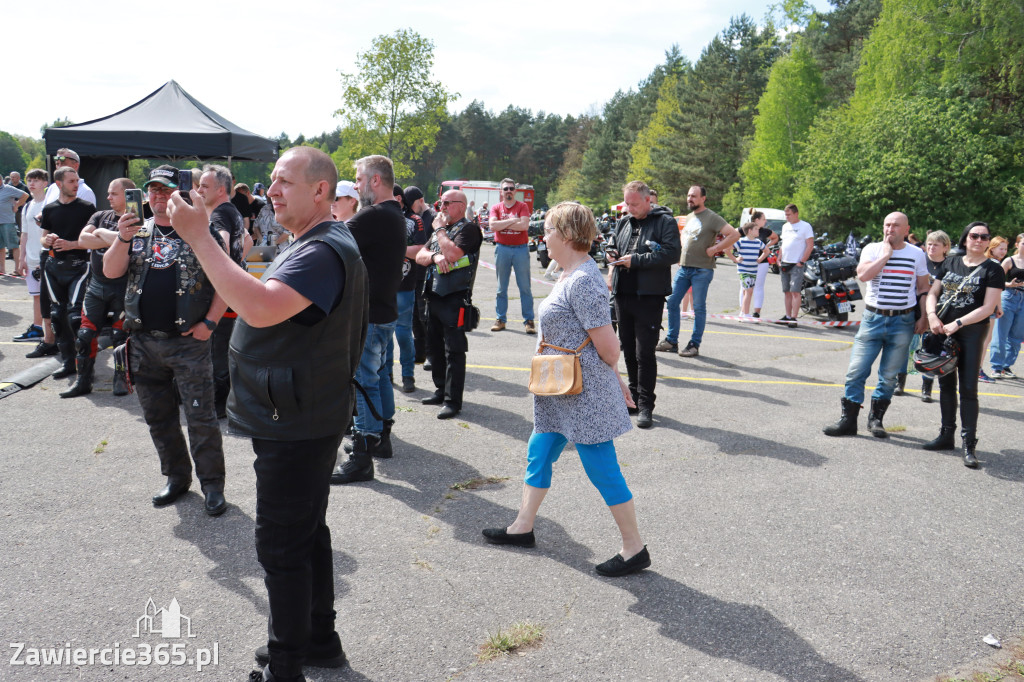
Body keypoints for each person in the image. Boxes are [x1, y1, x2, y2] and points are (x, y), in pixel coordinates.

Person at [166, 146, 367, 682]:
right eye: (272, 182)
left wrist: (198, 235)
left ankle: (286, 667)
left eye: (284, 182)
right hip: (298, 413)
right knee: (306, 533)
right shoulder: (314, 242)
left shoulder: (322, 250)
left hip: (297, 421)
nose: (271, 191)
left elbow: (257, 306)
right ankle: (318, 641)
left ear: (320, 190)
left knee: (281, 544)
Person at [481, 202, 650, 577]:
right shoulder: (566, 272)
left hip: (584, 392)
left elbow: (609, 347)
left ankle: (634, 547)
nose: (545, 235)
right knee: (539, 452)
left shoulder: (584, 279)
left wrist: (614, 378)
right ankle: (523, 526)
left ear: (570, 235)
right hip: (560, 387)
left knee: (601, 467)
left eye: (552, 229)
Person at [103, 165, 228, 515]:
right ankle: (177, 477)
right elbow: (111, 271)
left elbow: (227, 280)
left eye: (167, 190)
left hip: (188, 342)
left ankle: (213, 485)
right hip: (144, 342)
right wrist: (122, 238)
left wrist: (210, 323)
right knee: (158, 418)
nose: (160, 196)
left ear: (180, 194)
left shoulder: (201, 232)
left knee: (201, 416)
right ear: (146, 195)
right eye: (154, 190)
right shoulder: (135, 231)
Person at [331, 156, 406, 484]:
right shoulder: (393, 215)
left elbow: (329, 240)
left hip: (371, 315)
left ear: (376, 180)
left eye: (359, 179)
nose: (357, 185)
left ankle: (362, 453)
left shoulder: (374, 215)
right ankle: (382, 438)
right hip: (384, 312)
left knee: (365, 381)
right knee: (379, 376)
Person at [823, 212, 929, 438]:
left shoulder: (917, 254)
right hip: (873, 319)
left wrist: (924, 317)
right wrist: (885, 256)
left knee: (889, 375)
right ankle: (848, 420)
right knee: (856, 371)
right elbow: (863, 276)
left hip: (903, 320)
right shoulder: (872, 249)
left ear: (907, 229)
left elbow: (922, 287)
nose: (890, 229)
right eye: (887, 225)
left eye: (896, 226)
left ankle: (876, 420)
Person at [922, 221, 1005, 467]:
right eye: (974, 236)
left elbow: (988, 308)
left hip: (970, 332)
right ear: (965, 239)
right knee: (946, 385)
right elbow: (933, 293)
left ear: (988, 241)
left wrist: (958, 323)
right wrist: (932, 315)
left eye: (984, 236)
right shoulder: (950, 262)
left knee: (968, 389)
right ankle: (946, 435)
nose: (979, 240)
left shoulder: (994, 269)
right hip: (941, 329)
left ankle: (969, 445)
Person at [608, 181, 681, 429]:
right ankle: (633, 399)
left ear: (648, 200)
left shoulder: (665, 221)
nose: (629, 208)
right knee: (627, 349)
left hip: (649, 296)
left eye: (634, 203)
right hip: (623, 294)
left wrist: (636, 260)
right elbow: (613, 243)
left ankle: (647, 405)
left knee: (644, 353)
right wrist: (610, 252)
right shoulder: (623, 221)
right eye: (626, 203)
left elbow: (672, 254)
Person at [60, 177, 136, 398]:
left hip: (124, 286)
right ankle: (83, 381)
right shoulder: (100, 215)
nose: (108, 197)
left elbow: (131, 240)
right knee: (84, 334)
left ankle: (122, 380)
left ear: (127, 195)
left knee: (120, 337)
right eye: (109, 193)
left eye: (113, 193)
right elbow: (83, 240)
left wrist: (101, 235)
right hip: (97, 284)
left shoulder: (137, 219)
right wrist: (115, 238)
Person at [414, 189, 482, 420]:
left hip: (455, 297)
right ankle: (440, 390)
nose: (441, 208)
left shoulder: (469, 229)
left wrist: (441, 231)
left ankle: (453, 401)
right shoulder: (438, 232)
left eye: (446, 204)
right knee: (433, 348)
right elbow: (420, 256)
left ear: (461, 206)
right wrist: (435, 257)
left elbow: (453, 254)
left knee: (454, 350)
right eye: (440, 203)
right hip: (433, 296)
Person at [657, 185, 739, 357]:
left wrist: (715, 249)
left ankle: (694, 344)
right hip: (684, 268)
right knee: (672, 302)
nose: (690, 199)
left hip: (702, 269)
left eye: (694, 196)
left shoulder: (712, 217)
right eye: (688, 196)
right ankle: (672, 341)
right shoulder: (688, 217)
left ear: (703, 198)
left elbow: (733, 235)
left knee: (698, 308)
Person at [198, 164, 251, 418]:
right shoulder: (232, 210)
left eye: (204, 186)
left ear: (221, 189)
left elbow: (223, 247)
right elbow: (248, 240)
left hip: (224, 297)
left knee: (218, 352)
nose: (199, 190)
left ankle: (220, 406)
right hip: (234, 294)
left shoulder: (220, 214)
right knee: (225, 350)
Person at [39, 167, 95, 381]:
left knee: (75, 318)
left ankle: (85, 367)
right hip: (53, 266)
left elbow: (94, 239)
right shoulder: (50, 208)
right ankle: (68, 363)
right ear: (59, 184)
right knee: (56, 316)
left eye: (77, 181)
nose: (76, 184)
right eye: (71, 181)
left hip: (79, 266)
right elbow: (42, 239)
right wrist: (49, 240)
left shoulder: (87, 208)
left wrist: (72, 243)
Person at [391, 183, 426, 394]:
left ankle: (407, 375)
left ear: (399, 199)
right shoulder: (377, 217)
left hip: (405, 284)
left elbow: (421, 249)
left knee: (403, 332)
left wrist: (394, 250)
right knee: (383, 335)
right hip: (382, 286)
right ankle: (386, 375)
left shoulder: (414, 220)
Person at [489, 178, 535, 334]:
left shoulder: (522, 206)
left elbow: (524, 226)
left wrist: (505, 222)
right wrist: (513, 220)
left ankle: (529, 321)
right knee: (501, 288)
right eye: (505, 189)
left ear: (515, 191)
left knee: (525, 287)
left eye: (511, 188)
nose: (508, 191)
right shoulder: (496, 207)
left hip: (521, 249)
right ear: (501, 192)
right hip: (502, 249)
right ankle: (500, 319)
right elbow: (493, 226)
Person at [912, 230, 951, 402]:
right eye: (929, 243)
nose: (931, 247)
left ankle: (926, 388)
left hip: (939, 313)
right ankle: (900, 382)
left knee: (930, 350)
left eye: (936, 244)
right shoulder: (920, 260)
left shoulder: (950, 265)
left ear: (945, 247)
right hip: (915, 308)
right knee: (908, 346)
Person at [13, 169, 51, 348]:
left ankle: (54, 332)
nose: (32, 183)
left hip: (47, 258)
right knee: (36, 297)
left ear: (45, 183)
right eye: (29, 180)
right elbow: (24, 234)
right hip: (32, 258)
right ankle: (37, 329)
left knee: (51, 297)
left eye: (36, 180)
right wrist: (21, 260)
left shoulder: (49, 204)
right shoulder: (27, 206)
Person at [404, 186, 433, 364]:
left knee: (426, 316)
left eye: (411, 204)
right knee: (415, 316)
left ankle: (432, 353)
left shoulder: (434, 219)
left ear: (421, 201)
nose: (410, 208)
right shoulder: (411, 218)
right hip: (413, 274)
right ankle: (420, 352)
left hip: (427, 274)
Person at [990, 232, 1024, 379]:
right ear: (1017, 245)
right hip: (1009, 296)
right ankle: (996, 367)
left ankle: (1006, 366)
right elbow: (995, 281)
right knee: (1001, 334)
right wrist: (1009, 284)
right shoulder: (1010, 261)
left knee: (1017, 336)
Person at [778, 204, 814, 328]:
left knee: (795, 292)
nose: (786, 217)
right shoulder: (785, 226)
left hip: (796, 264)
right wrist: (779, 257)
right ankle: (787, 316)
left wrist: (802, 261)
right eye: (785, 215)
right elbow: (784, 243)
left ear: (796, 214)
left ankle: (794, 317)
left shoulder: (805, 226)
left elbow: (810, 244)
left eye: (789, 214)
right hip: (785, 262)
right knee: (786, 292)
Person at [978, 236, 1009, 383]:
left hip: (979, 305)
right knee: (985, 340)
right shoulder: (995, 264)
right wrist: (999, 307)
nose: (1003, 251)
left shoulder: (984, 261)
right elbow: (996, 289)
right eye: (1000, 248)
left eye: (1005, 249)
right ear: (992, 248)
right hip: (988, 306)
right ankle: (977, 369)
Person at [730, 221, 766, 317]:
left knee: (748, 291)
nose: (758, 231)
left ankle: (742, 312)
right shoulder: (741, 241)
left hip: (753, 270)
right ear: (750, 231)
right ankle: (746, 313)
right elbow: (726, 249)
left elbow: (766, 251)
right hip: (743, 270)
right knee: (749, 291)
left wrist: (760, 259)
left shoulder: (758, 242)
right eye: (756, 229)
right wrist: (735, 259)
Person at [749, 210, 779, 318]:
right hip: (747, 262)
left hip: (762, 263)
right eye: (763, 219)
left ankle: (756, 312)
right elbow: (734, 236)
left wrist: (767, 245)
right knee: (746, 287)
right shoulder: (746, 229)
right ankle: (744, 312)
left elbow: (776, 237)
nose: (765, 221)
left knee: (758, 287)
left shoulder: (765, 231)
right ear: (757, 220)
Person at [0, 174, 28, 276]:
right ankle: (2, 269)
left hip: (7, 221)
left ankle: (18, 269)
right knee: (0, 247)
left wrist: (16, 205)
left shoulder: (8, 189)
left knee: (14, 245)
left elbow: (25, 195)